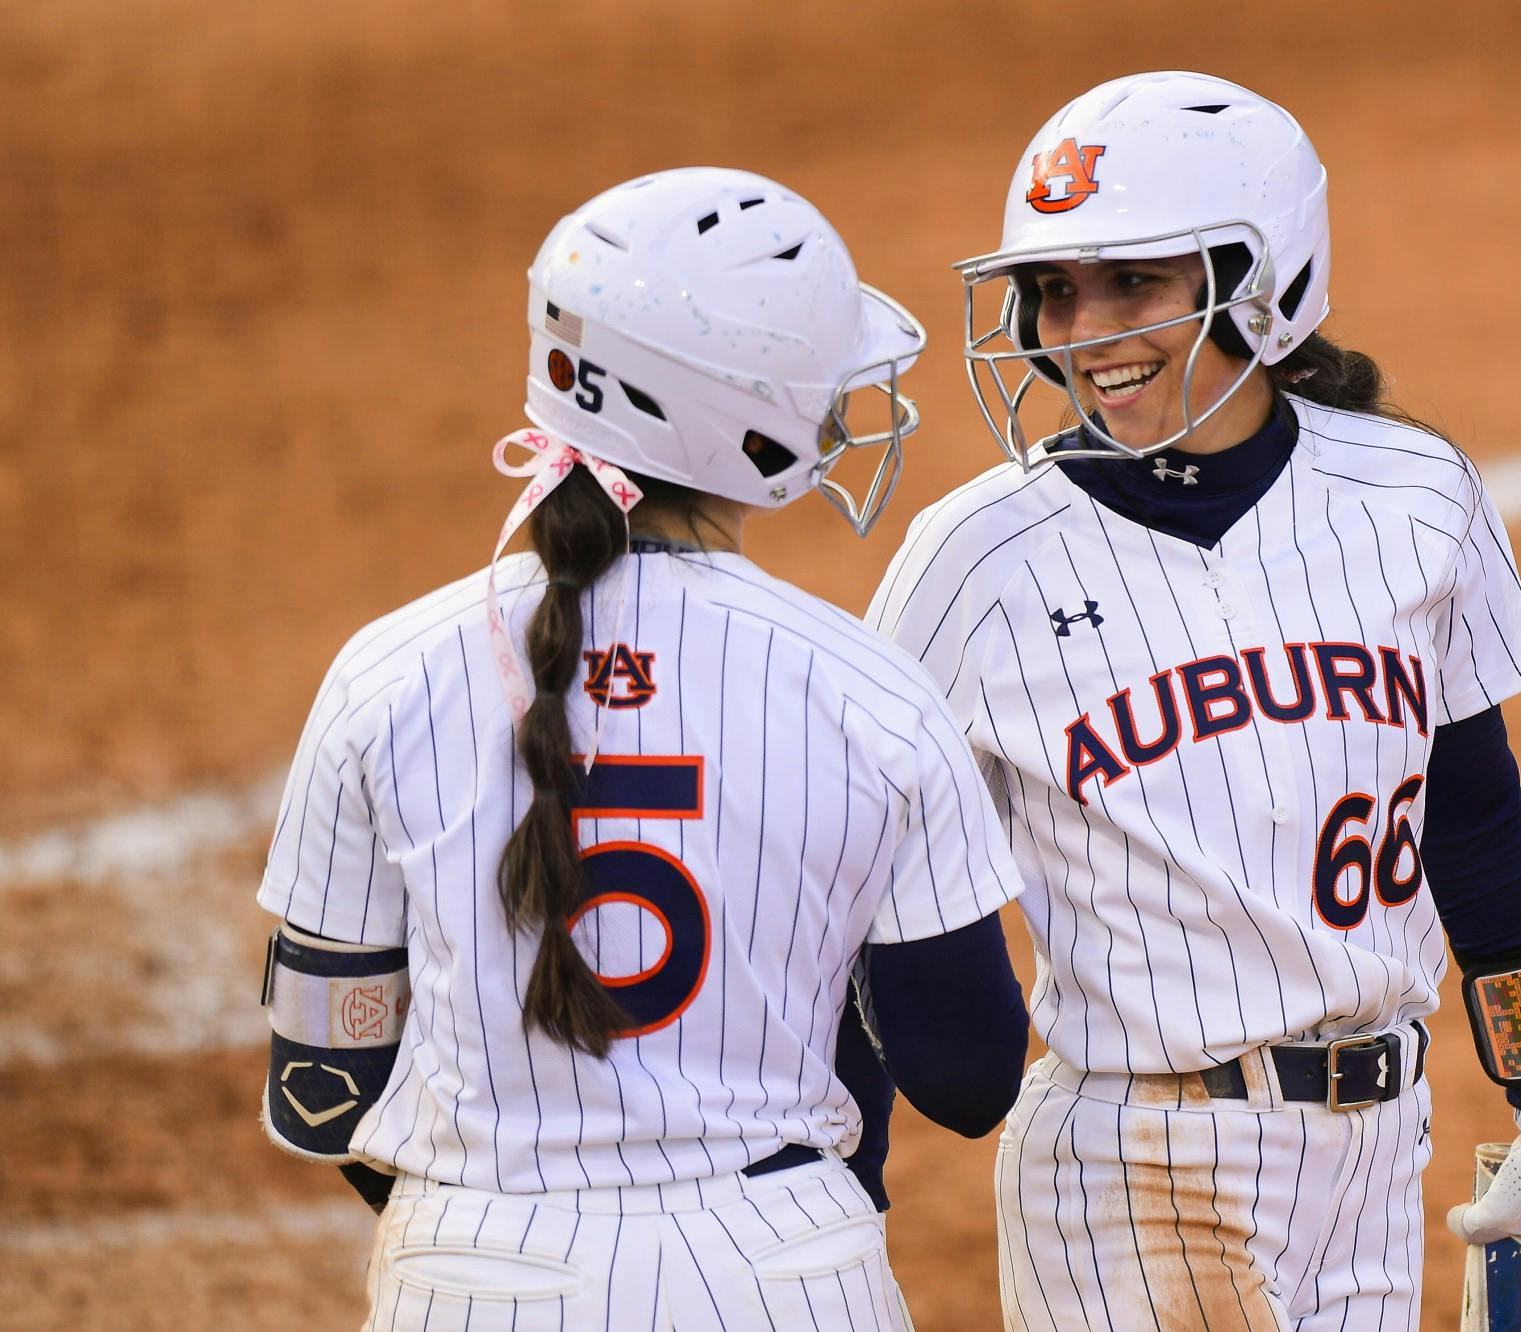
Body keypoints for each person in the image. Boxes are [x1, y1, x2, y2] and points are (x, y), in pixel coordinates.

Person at [868, 72, 1521, 1330]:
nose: (1080, 329)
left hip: (1379, 1156)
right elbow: (852, 886)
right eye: (1053, 290)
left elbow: (1473, 834)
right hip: (1135, 1163)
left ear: (1259, 284)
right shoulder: (973, 559)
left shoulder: (1411, 495)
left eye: (1132, 283)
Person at [255, 167, 1030, 1331]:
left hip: (472, 1273)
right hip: (781, 1275)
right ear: (745, 411)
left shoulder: (387, 672)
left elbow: (322, 1093)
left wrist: (507, 1226)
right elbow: (969, 1079)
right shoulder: (868, 690)